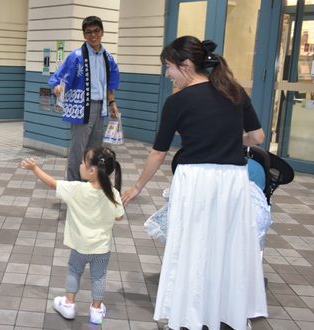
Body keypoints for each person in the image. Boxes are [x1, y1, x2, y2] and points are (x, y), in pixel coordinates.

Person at [121, 36, 267, 330]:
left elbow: (158, 152)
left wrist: (137, 186)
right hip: (232, 181)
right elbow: (257, 137)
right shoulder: (234, 91)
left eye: (169, 67)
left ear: (186, 65)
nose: (167, 75)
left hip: (195, 180)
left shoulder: (177, 102)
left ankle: (190, 312)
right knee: (227, 245)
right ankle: (227, 310)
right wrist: (228, 138)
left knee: (192, 246)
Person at [20, 146, 124, 325]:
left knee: (74, 271)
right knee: (99, 277)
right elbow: (119, 216)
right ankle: (97, 310)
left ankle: (69, 305)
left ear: (92, 170)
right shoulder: (112, 193)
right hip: (102, 248)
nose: (80, 165)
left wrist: (34, 168)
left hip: (79, 247)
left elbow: (52, 183)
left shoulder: (77, 189)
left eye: (83, 162)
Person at [49, 16, 121, 181]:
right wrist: (58, 87)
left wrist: (112, 103)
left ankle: (90, 184)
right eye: (88, 32)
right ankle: (74, 185)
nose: (93, 35)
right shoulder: (76, 56)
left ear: (102, 32)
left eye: (96, 31)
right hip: (81, 108)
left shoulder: (108, 58)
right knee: (78, 149)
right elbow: (60, 78)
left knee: (95, 150)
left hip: (100, 108)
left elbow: (110, 85)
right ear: (84, 35)